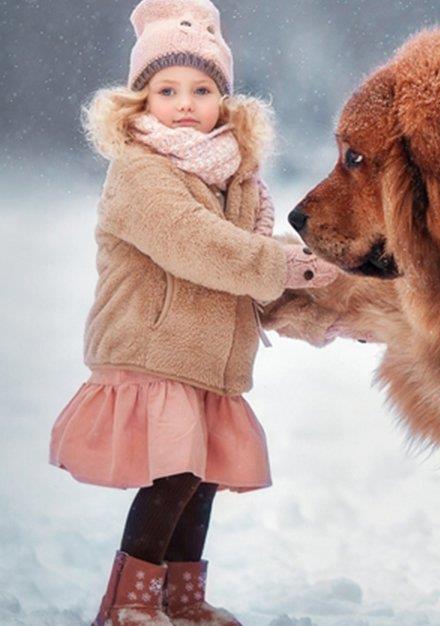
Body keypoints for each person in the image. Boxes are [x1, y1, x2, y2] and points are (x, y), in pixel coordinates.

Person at [48, 1, 339, 624]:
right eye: (167, 89)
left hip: (209, 360)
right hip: (154, 351)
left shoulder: (237, 183)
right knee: (174, 478)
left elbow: (253, 272)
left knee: (199, 482)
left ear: (225, 102)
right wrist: (286, 266)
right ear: (139, 102)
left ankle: (181, 599)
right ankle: (128, 603)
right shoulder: (139, 173)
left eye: (202, 89)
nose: (185, 102)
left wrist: (332, 306)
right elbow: (197, 245)